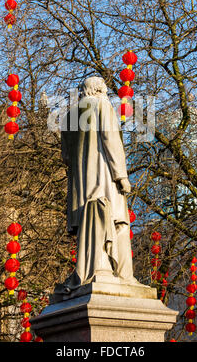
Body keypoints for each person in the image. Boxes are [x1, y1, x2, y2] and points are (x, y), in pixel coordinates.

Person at [57, 76, 138, 293]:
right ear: (99, 90)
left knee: (90, 227)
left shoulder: (68, 117)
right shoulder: (102, 105)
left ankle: (93, 270)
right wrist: (121, 176)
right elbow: (111, 141)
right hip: (104, 179)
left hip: (81, 188)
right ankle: (124, 276)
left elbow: (66, 156)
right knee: (119, 223)